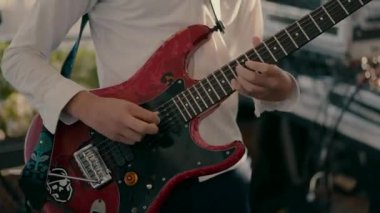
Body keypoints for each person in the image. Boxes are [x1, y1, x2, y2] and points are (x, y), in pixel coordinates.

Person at [1, 0, 299, 212]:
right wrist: (87, 106)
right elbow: (20, 57)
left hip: (222, 174)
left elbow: (248, 69)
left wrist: (281, 87)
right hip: (129, 174)